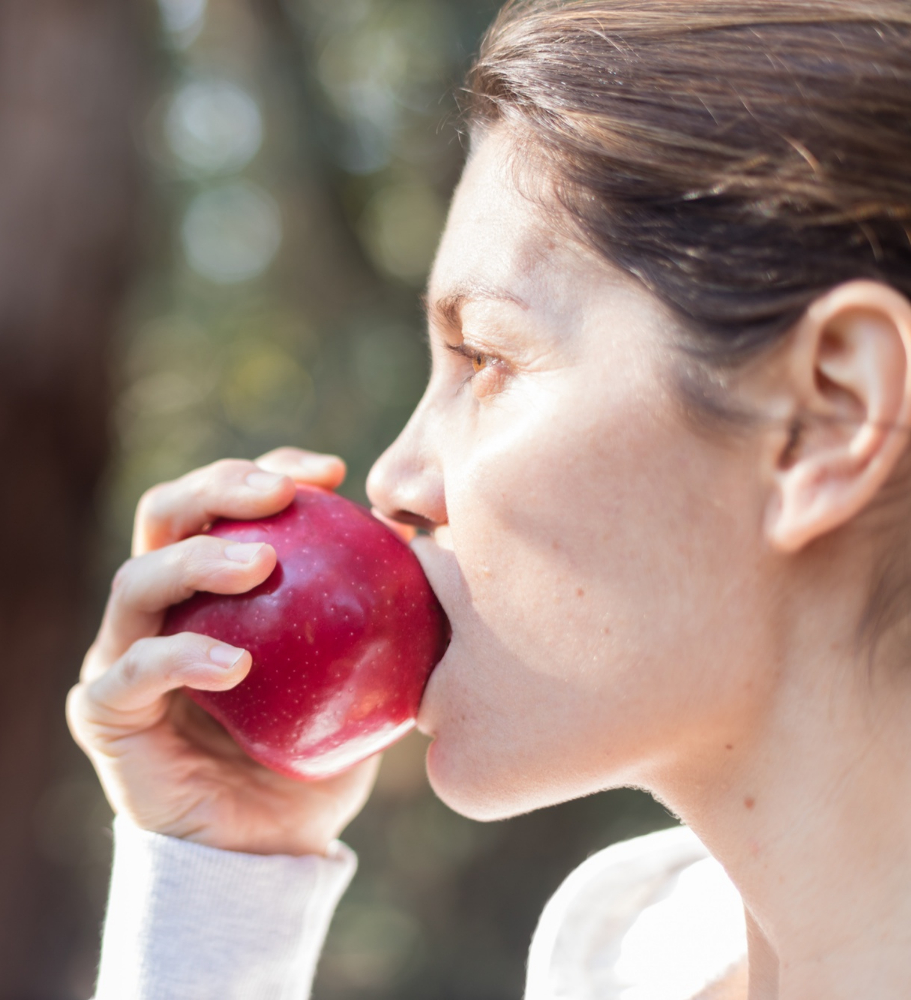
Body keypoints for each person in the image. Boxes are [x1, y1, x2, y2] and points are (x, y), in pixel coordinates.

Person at [67, 1, 911, 997]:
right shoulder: (621, 968)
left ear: (825, 414)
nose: (393, 479)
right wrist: (219, 895)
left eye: (484, 357)